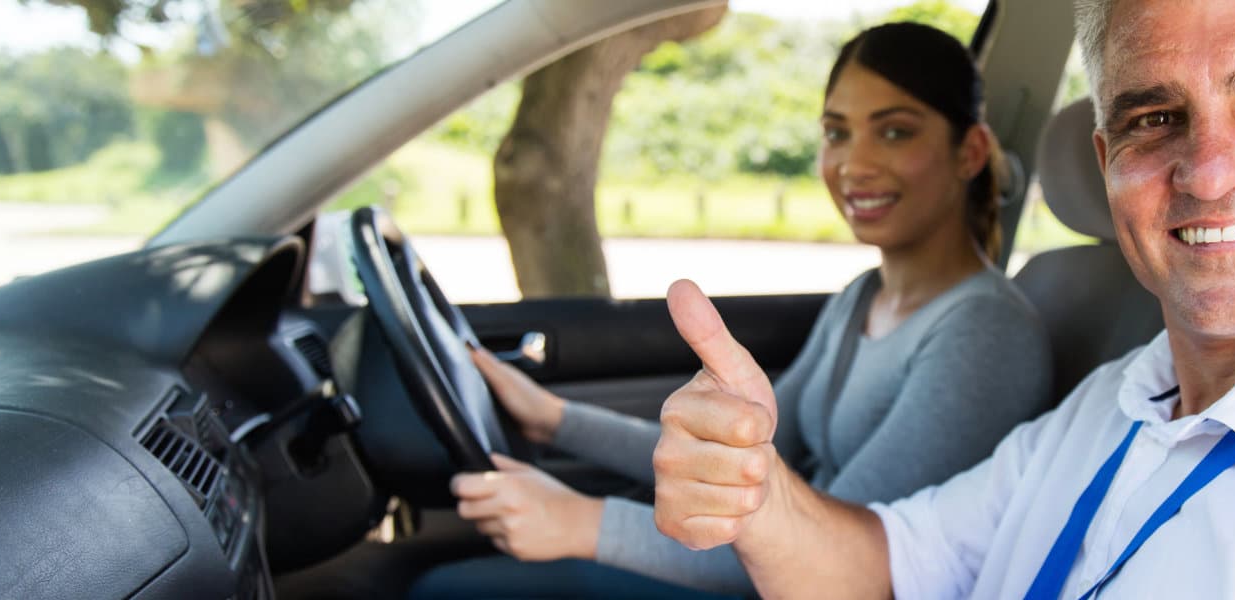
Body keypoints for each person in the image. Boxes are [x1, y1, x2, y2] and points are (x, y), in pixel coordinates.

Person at [648, 0, 1235, 598]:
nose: (1212, 172)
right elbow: (893, 567)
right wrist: (761, 499)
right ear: (1108, 168)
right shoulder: (1128, 394)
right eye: (1156, 119)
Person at [410, 22, 1053, 599]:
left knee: (441, 589)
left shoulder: (984, 332)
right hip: (748, 569)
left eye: (894, 131)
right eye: (836, 133)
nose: (854, 164)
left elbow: (826, 555)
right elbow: (750, 459)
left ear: (970, 152)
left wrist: (579, 522)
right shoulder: (864, 295)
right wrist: (555, 419)